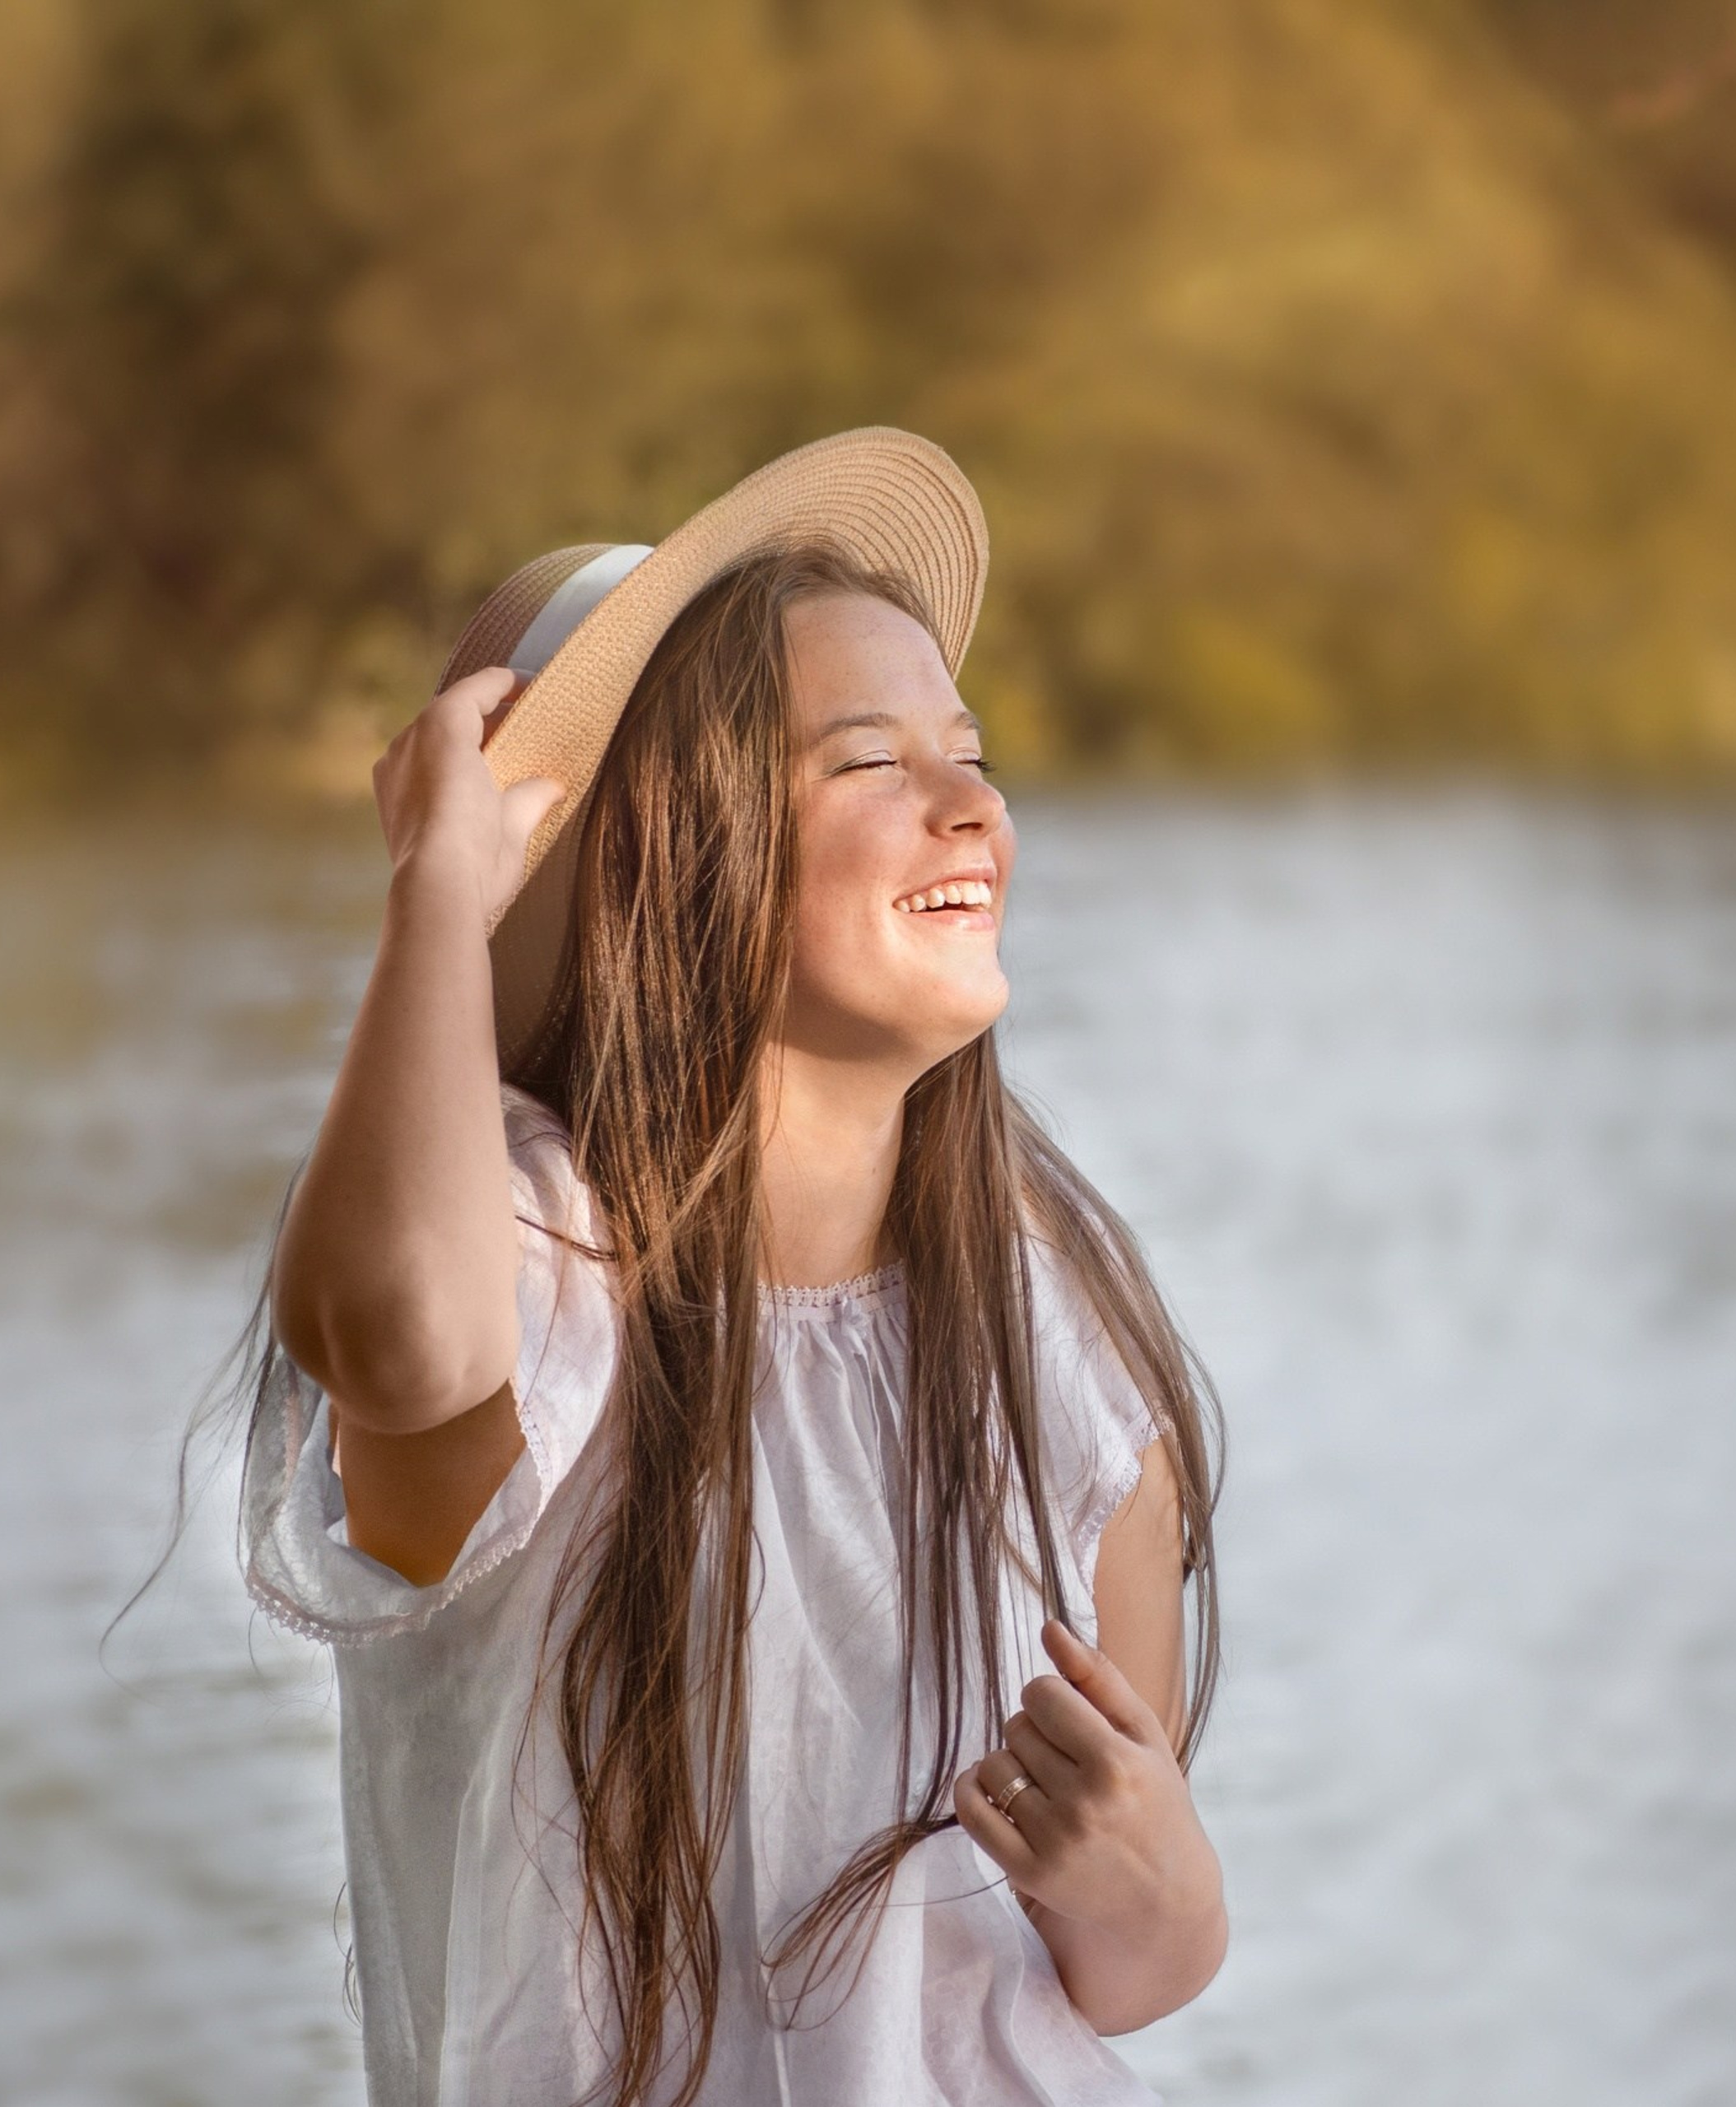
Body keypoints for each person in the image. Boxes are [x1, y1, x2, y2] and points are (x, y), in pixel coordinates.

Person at [229, 430, 1228, 2105]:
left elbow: (1121, 1975)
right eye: (863, 764)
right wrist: (438, 900)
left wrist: (1158, 1887)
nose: (969, 801)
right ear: (660, 857)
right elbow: (392, 1328)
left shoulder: (1047, 1323)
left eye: (965, 754)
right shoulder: (541, 1270)